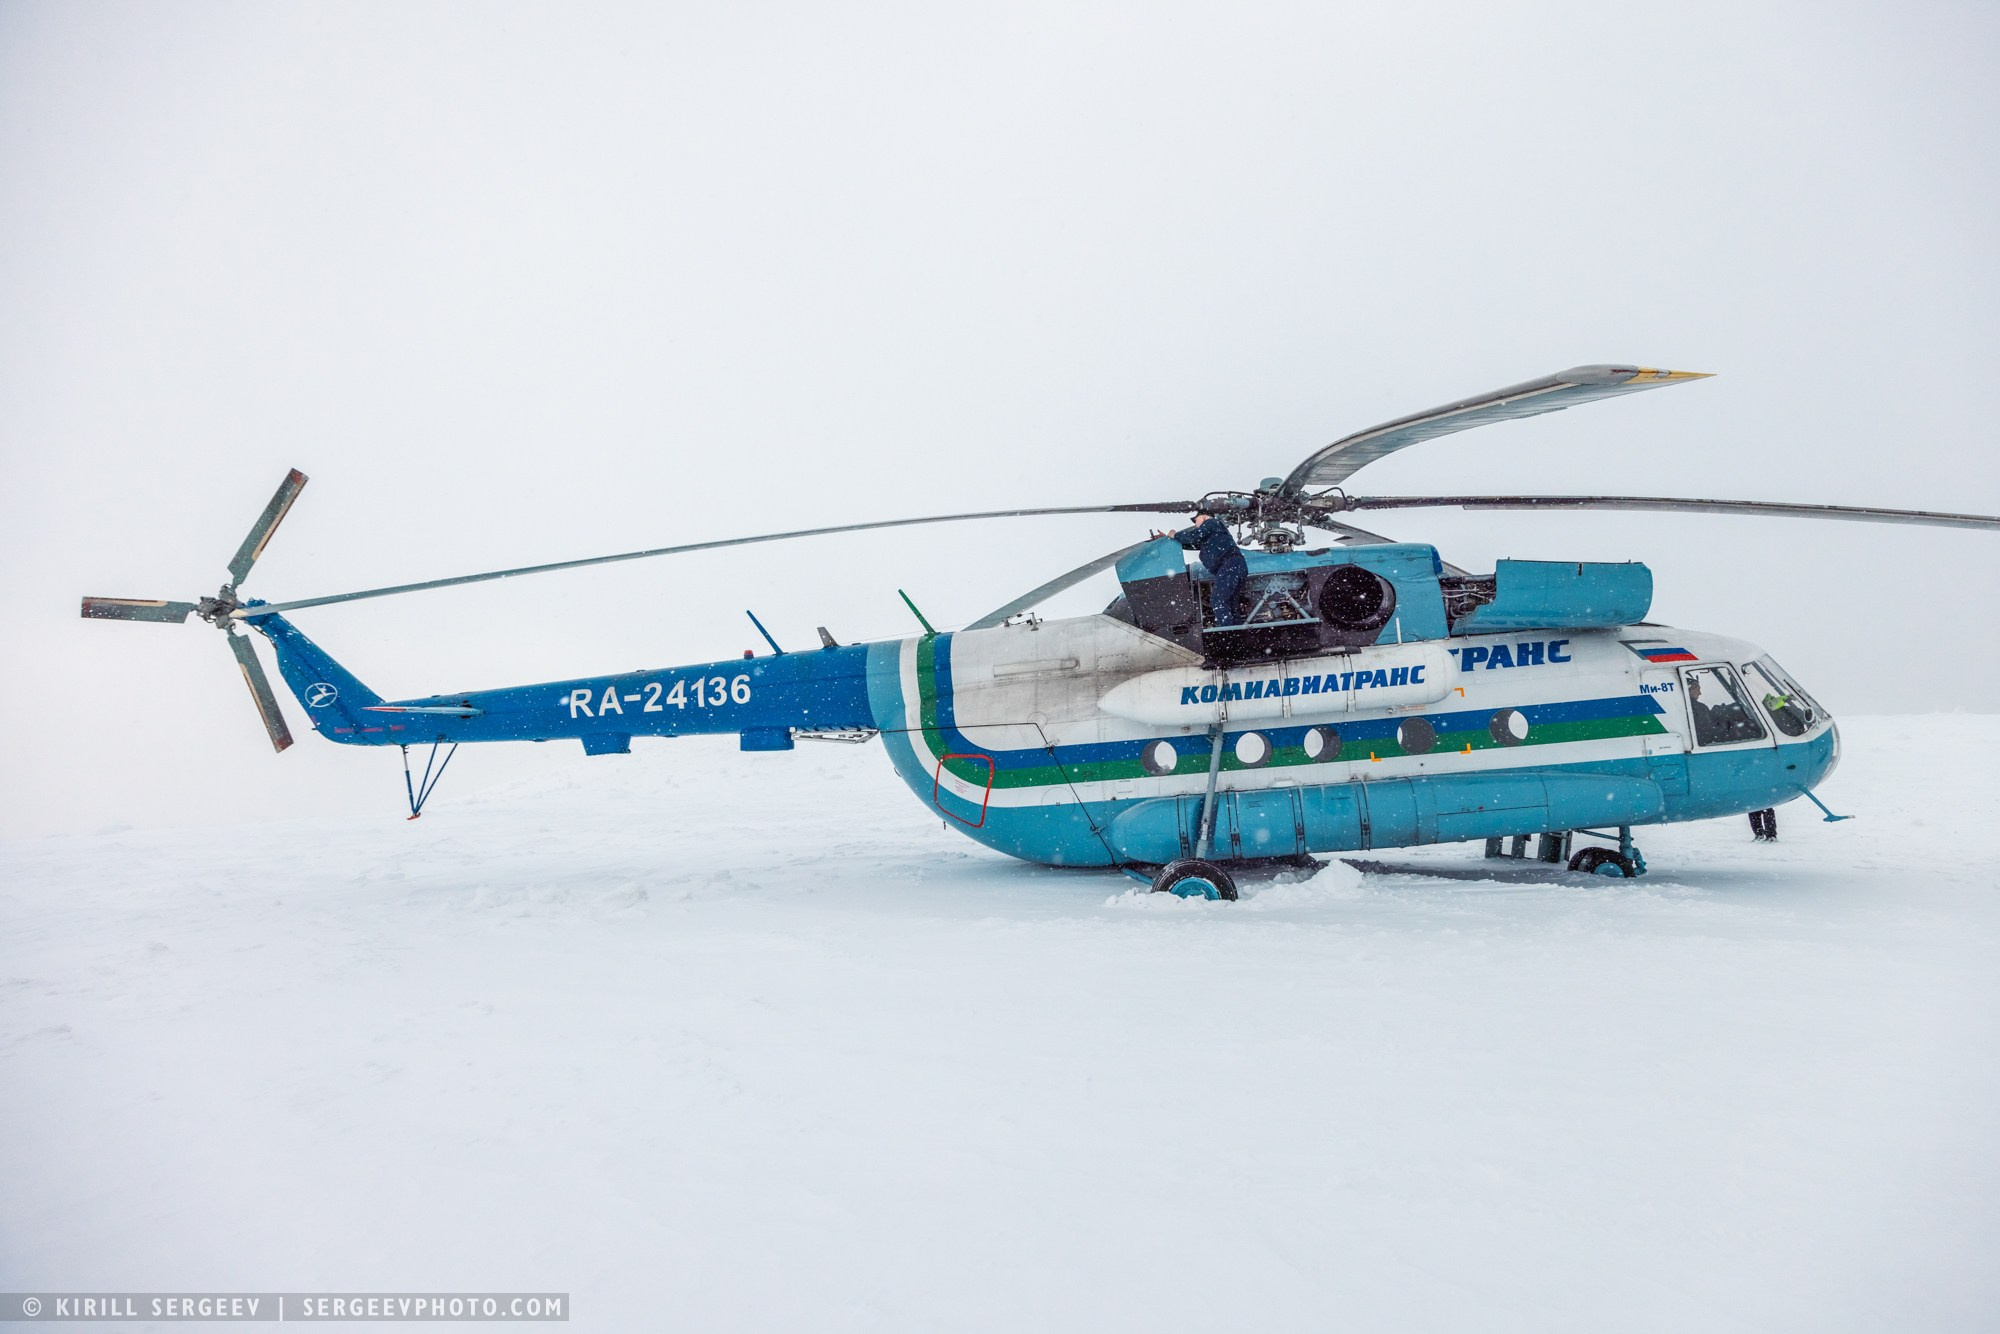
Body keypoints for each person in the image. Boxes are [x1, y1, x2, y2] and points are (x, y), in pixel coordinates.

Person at [1154, 510, 1249, 627]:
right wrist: (1169, 539)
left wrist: (1175, 534)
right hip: (1235, 567)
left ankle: (1228, 632)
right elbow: (1190, 543)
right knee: (1230, 604)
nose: (1195, 524)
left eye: (1196, 520)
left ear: (1204, 516)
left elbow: (1193, 537)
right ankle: (1236, 632)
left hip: (1229, 566)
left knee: (1218, 601)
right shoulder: (1212, 536)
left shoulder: (1211, 523)